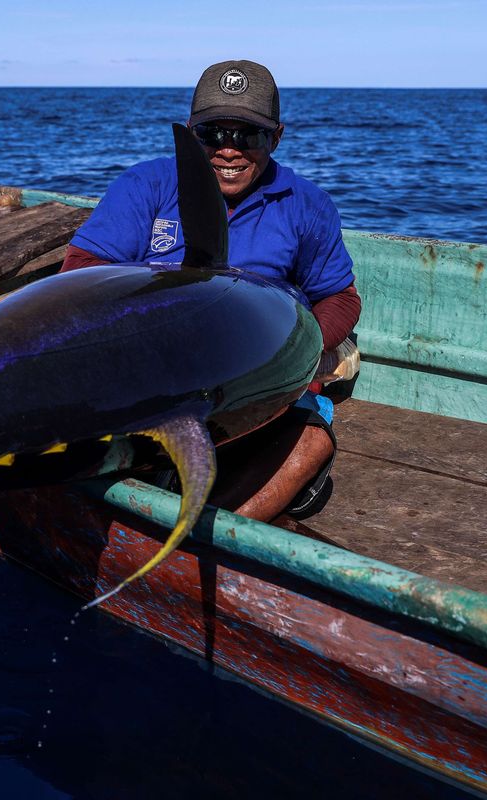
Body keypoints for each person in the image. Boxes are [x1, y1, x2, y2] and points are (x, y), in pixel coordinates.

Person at [60, 59, 361, 521]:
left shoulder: (307, 206)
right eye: (212, 134)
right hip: (152, 366)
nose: (228, 150)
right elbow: (82, 271)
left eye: (248, 135)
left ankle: (202, 541)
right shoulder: (149, 184)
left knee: (311, 442)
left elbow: (340, 296)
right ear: (190, 133)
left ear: (276, 137)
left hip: (252, 373)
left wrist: (299, 351)